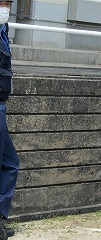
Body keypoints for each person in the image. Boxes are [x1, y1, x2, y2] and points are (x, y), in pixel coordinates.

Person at [0, 1, 19, 239]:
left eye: (8, 4)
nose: (5, 8)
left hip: (1, 105)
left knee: (10, 162)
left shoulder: (3, 30)